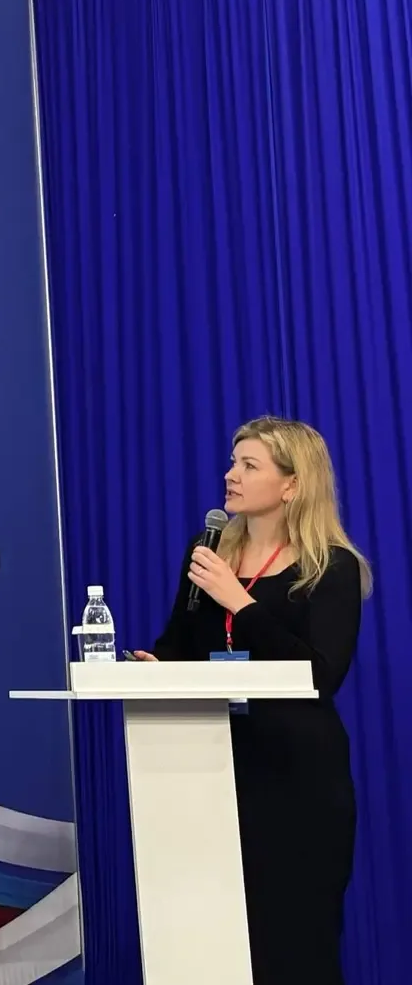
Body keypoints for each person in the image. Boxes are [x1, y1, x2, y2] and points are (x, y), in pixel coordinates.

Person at [129, 416, 370, 983]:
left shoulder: (330, 566)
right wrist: (157, 669)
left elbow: (320, 674)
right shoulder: (209, 549)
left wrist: (239, 601)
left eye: (248, 465)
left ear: (292, 484)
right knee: (216, 941)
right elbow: (179, 643)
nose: (230, 475)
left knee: (295, 943)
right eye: (233, 462)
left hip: (297, 777)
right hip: (212, 767)